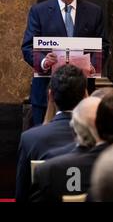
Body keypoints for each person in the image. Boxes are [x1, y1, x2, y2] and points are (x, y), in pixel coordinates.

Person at [21, 0, 109, 126]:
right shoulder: (38, 11)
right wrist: (43, 62)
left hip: (82, 93)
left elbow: (104, 46)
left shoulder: (94, 12)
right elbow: (28, 47)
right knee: (45, 140)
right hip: (47, 93)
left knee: (82, 140)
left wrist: (93, 65)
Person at [15, 65, 87, 202]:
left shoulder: (30, 138)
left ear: (50, 95)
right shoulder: (97, 139)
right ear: (85, 95)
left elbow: (21, 195)